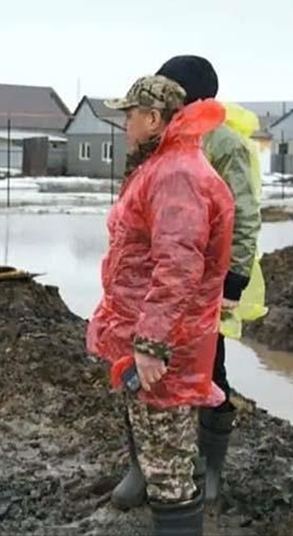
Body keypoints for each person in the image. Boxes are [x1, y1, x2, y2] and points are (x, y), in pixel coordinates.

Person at [110, 55, 266, 510]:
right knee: (141, 375)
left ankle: (207, 469)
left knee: (207, 372)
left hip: (206, 287)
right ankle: (144, 467)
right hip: (155, 287)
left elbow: (244, 215)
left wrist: (232, 285)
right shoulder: (161, 141)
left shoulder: (222, 144)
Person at [86, 74, 235, 536]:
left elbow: (178, 267)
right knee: (160, 453)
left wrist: (151, 344)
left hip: (165, 348)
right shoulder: (165, 164)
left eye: (129, 116)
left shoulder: (176, 175)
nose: (124, 126)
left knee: (168, 468)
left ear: (153, 119)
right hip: (149, 333)